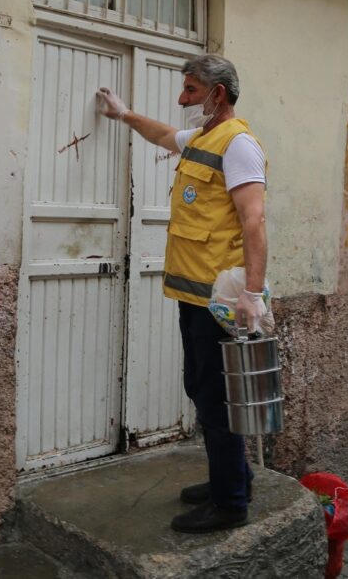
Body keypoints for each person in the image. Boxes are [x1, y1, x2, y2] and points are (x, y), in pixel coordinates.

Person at [96, 54, 268, 534]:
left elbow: (254, 220)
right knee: (202, 388)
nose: (182, 99)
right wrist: (124, 114)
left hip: (220, 300)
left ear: (218, 94)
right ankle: (233, 479)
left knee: (215, 399)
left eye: (191, 90)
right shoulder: (205, 139)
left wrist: (252, 294)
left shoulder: (239, 145)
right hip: (194, 296)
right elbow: (163, 135)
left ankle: (231, 501)